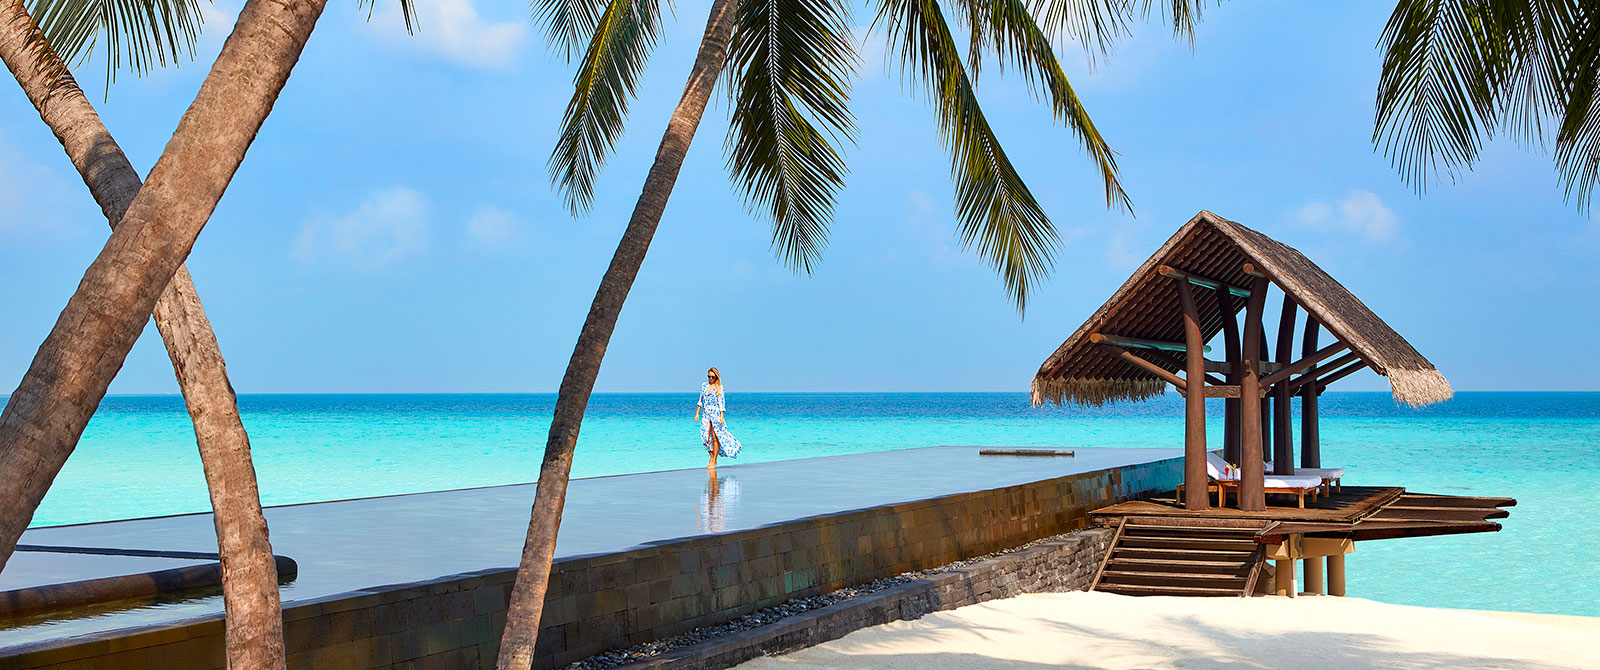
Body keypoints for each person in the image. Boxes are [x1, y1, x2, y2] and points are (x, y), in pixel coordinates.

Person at [695, 367, 742, 468]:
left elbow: (721, 403)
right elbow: (701, 401)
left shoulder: (719, 388)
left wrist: (722, 416)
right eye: (709, 376)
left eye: (712, 377)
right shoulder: (704, 386)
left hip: (715, 414)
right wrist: (697, 413)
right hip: (706, 414)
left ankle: (714, 460)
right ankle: (711, 456)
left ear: (716, 377)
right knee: (704, 436)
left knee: (715, 436)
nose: (710, 378)